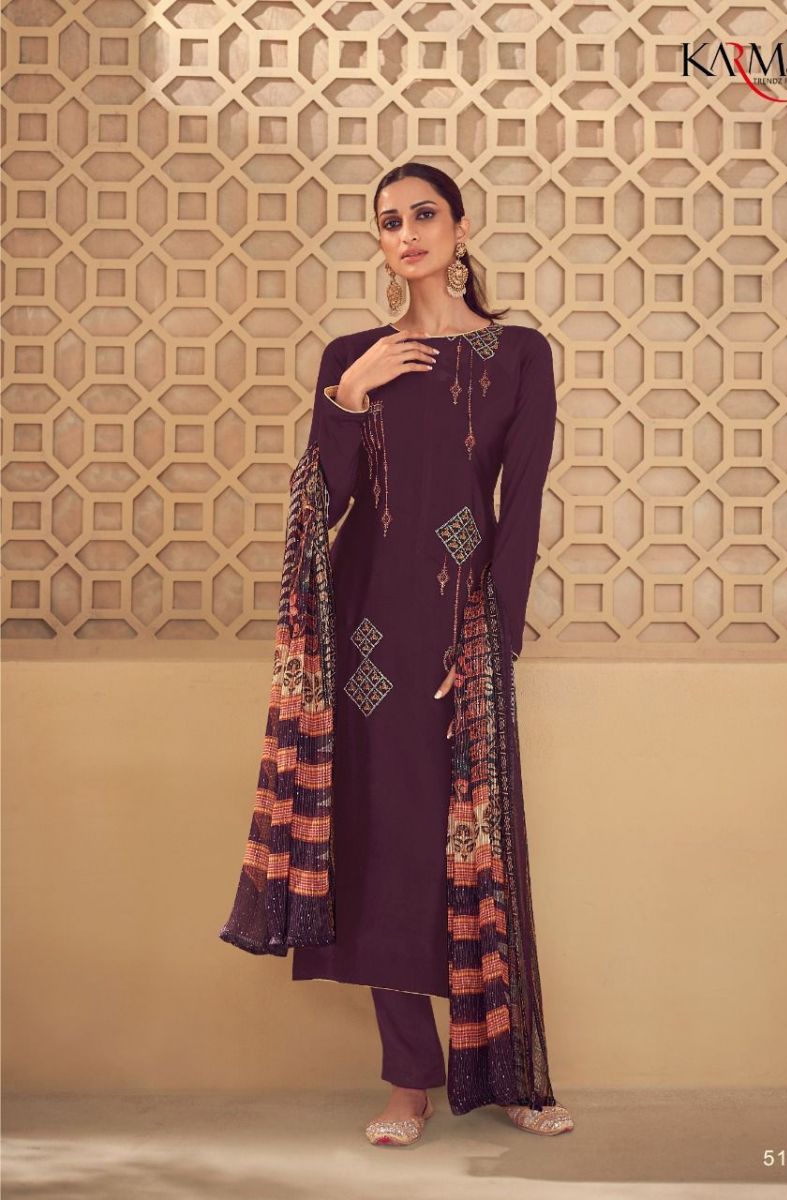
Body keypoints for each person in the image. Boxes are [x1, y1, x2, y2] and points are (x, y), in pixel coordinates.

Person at [220, 161, 574, 1145]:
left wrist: (491, 638)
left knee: (472, 847)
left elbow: (519, 507)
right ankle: (407, 1084)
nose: (406, 232)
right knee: (380, 848)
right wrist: (346, 396)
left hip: (457, 628)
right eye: (388, 221)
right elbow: (320, 508)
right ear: (378, 241)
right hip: (363, 637)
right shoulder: (352, 355)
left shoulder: (519, 354)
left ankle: (506, 1073)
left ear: (459, 227)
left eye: (423, 214)